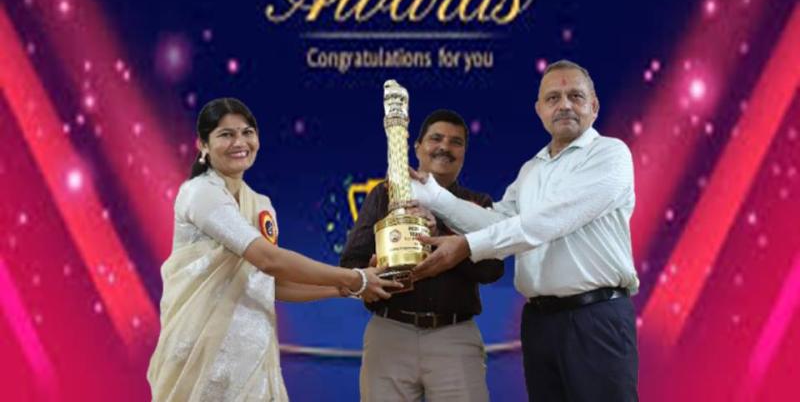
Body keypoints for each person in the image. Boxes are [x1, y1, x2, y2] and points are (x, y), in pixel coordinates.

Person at [410, 61, 639, 402]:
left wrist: (467, 246)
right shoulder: (531, 170)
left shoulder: (610, 154)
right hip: (539, 322)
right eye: (553, 98)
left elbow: (548, 222)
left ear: (594, 106)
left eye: (575, 96)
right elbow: (497, 222)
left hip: (596, 318)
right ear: (539, 110)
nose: (564, 105)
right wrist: (434, 196)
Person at [147, 98, 400, 401]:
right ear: (203, 144)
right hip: (202, 356)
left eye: (247, 132)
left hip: (250, 359)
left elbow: (271, 283)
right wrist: (355, 278)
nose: (239, 142)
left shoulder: (260, 204)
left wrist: (345, 289)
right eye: (226, 134)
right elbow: (268, 260)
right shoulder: (200, 193)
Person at [341, 109, 504, 402]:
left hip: (454, 336)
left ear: (464, 153)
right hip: (390, 333)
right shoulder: (384, 194)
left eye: (456, 142)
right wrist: (372, 273)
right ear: (417, 147)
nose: (445, 147)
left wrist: (440, 229)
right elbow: (351, 263)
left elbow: (492, 269)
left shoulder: (478, 203)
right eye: (436, 138)